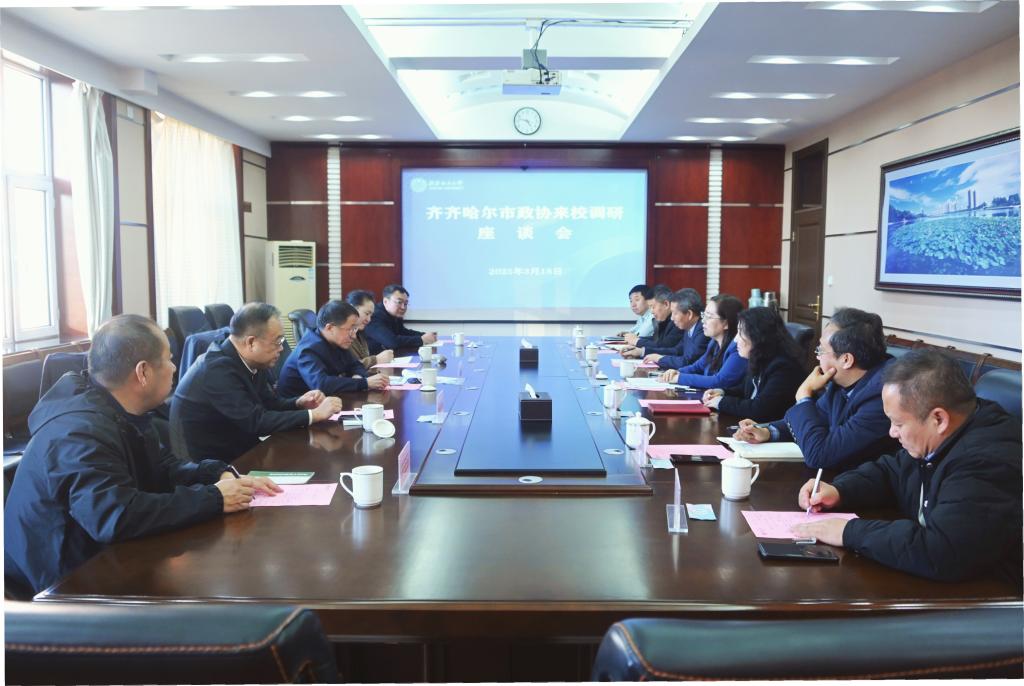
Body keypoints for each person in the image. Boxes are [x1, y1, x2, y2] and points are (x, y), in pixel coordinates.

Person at [4, 315, 282, 595]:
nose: (175, 367)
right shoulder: (78, 432)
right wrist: (215, 498)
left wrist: (214, 474)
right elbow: (116, 516)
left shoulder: (119, 409)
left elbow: (161, 467)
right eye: (169, 359)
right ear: (143, 372)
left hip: (102, 555)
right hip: (61, 584)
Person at [792, 349, 1022, 583]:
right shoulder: (943, 435)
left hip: (990, 594)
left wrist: (848, 532)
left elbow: (942, 551)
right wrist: (840, 490)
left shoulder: (987, 462)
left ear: (939, 419)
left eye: (898, 423)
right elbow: (890, 472)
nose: (892, 432)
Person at [172, 303, 342, 463]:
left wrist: (298, 403)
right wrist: (315, 414)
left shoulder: (252, 360)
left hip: (239, 445)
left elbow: (269, 404)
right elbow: (256, 422)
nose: (281, 348)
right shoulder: (217, 370)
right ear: (251, 342)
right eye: (277, 341)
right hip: (211, 461)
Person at [734, 307, 897, 471]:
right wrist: (767, 432)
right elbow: (814, 419)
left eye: (821, 350)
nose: (817, 356)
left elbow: (820, 456)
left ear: (846, 360)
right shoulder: (840, 383)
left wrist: (804, 396)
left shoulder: (881, 397)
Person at [702, 307, 806, 422]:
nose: (736, 340)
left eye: (741, 332)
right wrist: (722, 392)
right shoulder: (761, 357)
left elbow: (759, 410)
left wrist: (721, 402)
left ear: (758, 336)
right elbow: (746, 390)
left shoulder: (784, 368)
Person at [277, 301, 389, 397]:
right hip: (298, 410)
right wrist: (364, 383)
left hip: (326, 401)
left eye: (355, 329)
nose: (354, 336)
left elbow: (356, 365)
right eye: (350, 329)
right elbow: (322, 385)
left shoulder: (336, 341)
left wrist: (358, 377)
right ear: (330, 328)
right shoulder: (308, 350)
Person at [658, 294, 747, 390]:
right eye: (704, 315)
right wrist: (677, 372)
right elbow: (698, 366)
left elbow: (719, 381)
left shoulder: (738, 349)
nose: (703, 321)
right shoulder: (714, 343)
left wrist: (679, 378)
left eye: (709, 316)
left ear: (726, 323)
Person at [643, 288, 709, 369]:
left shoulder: (703, 330)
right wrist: (646, 352)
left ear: (689, 314)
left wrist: (660, 359)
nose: (672, 318)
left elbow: (689, 361)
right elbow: (677, 351)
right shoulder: (689, 327)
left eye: (675, 313)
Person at [365, 284, 437, 354]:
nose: (403, 307)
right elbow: (392, 342)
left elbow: (402, 331)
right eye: (399, 302)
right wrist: (421, 339)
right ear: (385, 301)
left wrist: (424, 335)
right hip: (373, 358)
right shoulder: (374, 316)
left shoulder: (394, 314)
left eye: (405, 304)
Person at [621, 286, 683, 359]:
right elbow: (656, 340)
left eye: (653, 307)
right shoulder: (664, 320)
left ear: (666, 304)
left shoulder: (678, 322)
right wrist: (638, 341)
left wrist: (639, 344)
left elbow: (666, 346)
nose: (651, 311)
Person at [346, 289, 395, 369]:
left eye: (371, 315)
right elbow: (348, 367)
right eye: (366, 313)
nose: (369, 320)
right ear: (352, 308)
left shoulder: (360, 333)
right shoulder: (341, 334)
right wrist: (376, 359)